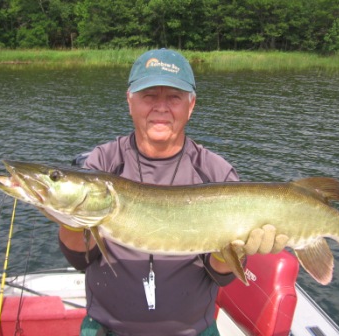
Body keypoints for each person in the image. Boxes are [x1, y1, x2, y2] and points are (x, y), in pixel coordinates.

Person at [59, 49, 288, 336]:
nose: (161, 107)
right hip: (107, 329)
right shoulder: (103, 163)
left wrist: (233, 252)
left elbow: (220, 275)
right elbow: (80, 259)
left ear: (191, 106)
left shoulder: (216, 172)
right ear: (130, 101)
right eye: (149, 96)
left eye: (174, 97)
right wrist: (71, 218)